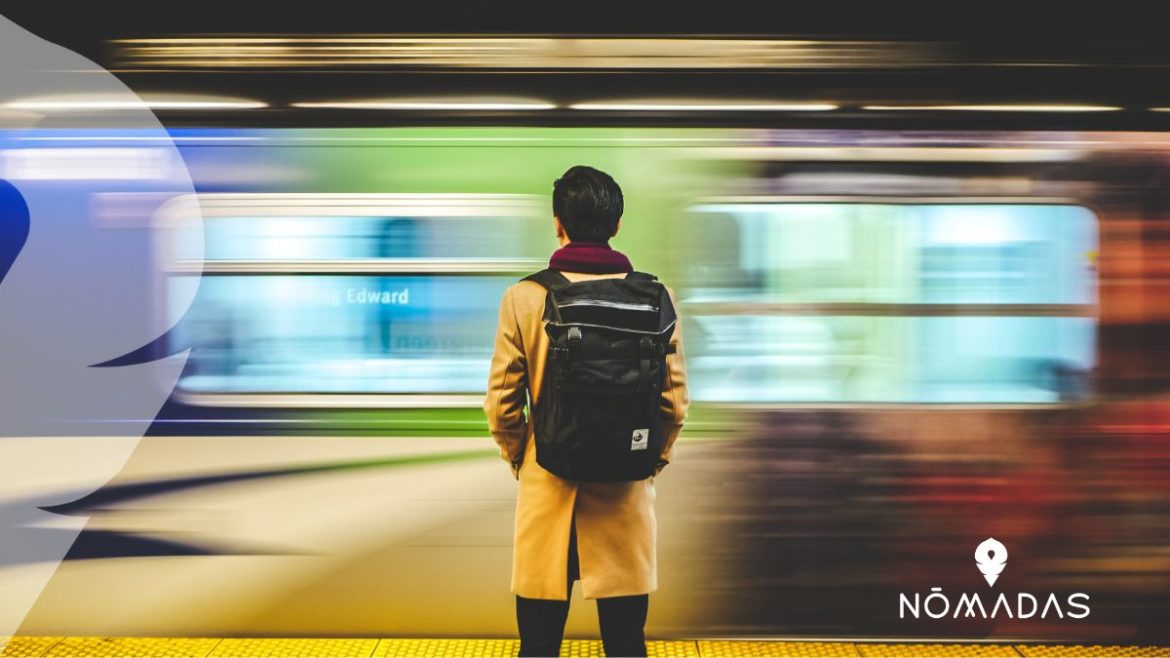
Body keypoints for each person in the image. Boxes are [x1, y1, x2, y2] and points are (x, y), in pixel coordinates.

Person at [484, 165, 690, 657]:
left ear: (559, 223)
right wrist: (651, 460)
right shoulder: (656, 299)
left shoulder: (524, 297)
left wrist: (523, 458)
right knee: (624, 641)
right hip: (624, 490)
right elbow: (675, 402)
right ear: (617, 225)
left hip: (548, 486)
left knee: (538, 642)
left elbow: (501, 405)